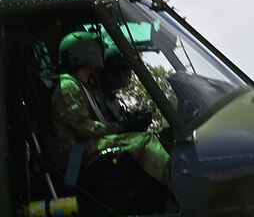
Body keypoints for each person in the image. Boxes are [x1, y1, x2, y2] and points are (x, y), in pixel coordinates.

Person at [51, 30, 169, 187]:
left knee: (156, 137)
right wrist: (122, 127)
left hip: (89, 144)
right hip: (79, 150)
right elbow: (84, 128)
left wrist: (130, 122)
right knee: (145, 142)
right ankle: (179, 188)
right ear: (83, 54)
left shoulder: (85, 85)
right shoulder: (68, 86)